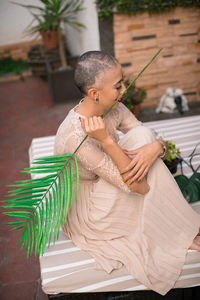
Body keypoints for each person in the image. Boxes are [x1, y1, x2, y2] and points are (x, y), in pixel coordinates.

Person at [54, 51, 200, 296]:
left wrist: (156, 147)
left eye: (122, 82)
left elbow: (144, 135)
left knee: (144, 139)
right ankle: (186, 231)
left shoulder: (112, 107)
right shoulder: (74, 139)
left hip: (114, 179)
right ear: (94, 93)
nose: (124, 90)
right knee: (147, 171)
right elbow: (139, 187)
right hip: (91, 211)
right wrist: (106, 141)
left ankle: (185, 228)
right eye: (118, 85)